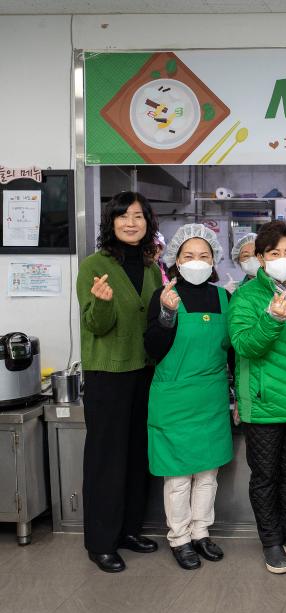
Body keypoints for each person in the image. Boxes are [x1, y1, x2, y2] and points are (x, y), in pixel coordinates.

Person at [76, 191, 163, 573]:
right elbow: (95, 325)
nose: (132, 222)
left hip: (144, 373)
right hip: (107, 375)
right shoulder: (94, 265)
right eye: (123, 216)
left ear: (148, 223)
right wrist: (105, 302)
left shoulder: (151, 267)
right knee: (106, 460)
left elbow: (154, 318)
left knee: (136, 456)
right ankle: (100, 541)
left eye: (139, 216)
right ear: (110, 222)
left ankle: (129, 530)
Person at [229, 220, 286, 574]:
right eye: (275, 253)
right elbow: (243, 345)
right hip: (263, 403)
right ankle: (270, 541)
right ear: (262, 258)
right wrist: (269, 319)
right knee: (265, 476)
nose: (283, 258)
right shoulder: (247, 296)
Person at [143, 224, 233, 571]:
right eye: (188, 256)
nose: (197, 261)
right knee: (179, 478)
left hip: (210, 396)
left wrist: (236, 396)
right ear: (175, 260)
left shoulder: (224, 298)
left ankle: (201, 532)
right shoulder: (165, 295)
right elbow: (152, 349)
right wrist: (165, 315)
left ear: (214, 260)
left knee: (208, 475)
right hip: (174, 396)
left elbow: (231, 352)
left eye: (204, 256)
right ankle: (179, 538)